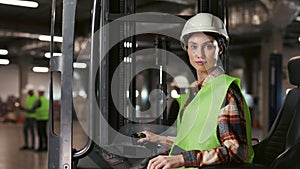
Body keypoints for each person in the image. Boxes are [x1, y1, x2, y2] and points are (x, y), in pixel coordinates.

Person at [138, 13, 254, 169]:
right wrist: (158, 139)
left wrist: (181, 160)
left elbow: (236, 151)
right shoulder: (194, 91)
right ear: (186, 49)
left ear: (220, 49)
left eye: (208, 46)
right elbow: (193, 142)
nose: (199, 54)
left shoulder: (225, 91)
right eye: (193, 46)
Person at [19, 84, 38, 150]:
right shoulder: (28, 97)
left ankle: (32, 146)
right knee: (25, 130)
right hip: (27, 117)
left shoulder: (36, 98)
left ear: (31, 91)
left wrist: (23, 109)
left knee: (32, 131)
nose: (27, 93)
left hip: (33, 117)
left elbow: (33, 109)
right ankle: (26, 145)